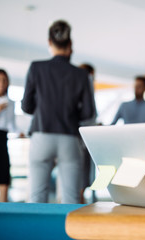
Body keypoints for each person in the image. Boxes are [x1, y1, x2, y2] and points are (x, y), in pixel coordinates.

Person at [21, 20, 95, 204]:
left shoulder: (36, 68)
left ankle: (36, 233)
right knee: (71, 198)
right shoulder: (81, 75)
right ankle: (69, 233)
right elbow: (88, 113)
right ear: (70, 45)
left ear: (49, 42)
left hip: (41, 135)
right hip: (69, 138)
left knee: (36, 196)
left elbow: (26, 106)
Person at [0, 69, 23, 202]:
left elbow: (11, 125)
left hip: (2, 140)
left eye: (4, 80)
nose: (1, 83)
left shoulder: (10, 103)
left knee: (3, 176)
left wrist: (20, 133)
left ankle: (1, 212)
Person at [79, 63, 98, 204]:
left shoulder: (87, 92)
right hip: (80, 140)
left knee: (84, 176)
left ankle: (83, 202)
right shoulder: (81, 89)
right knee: (80, 177)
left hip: (87, 140)